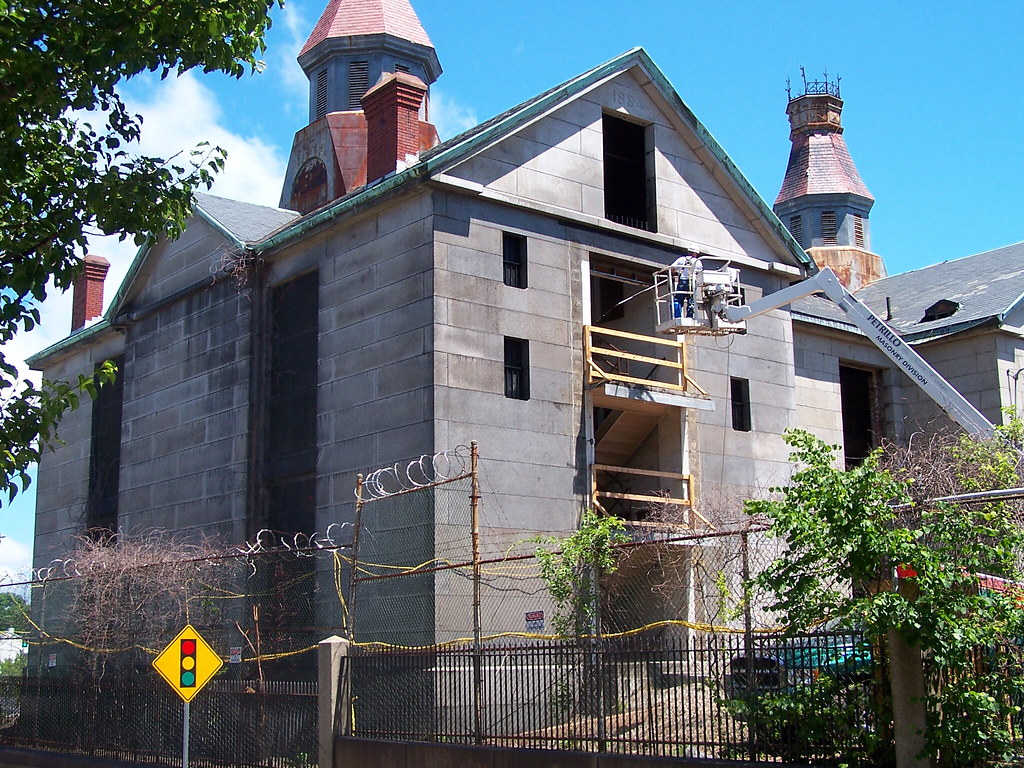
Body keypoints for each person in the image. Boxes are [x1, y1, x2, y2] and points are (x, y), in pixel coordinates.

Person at [671, 252, 703, 319]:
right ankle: (689, 317)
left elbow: (672, 268)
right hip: (692, 282)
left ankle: (677, 316)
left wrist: (676, 272)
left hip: (682, 281)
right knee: (691, 300)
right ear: (695, 254)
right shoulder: (697, 261)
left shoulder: (681, 259)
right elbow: (700, 273)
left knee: (678, 300)